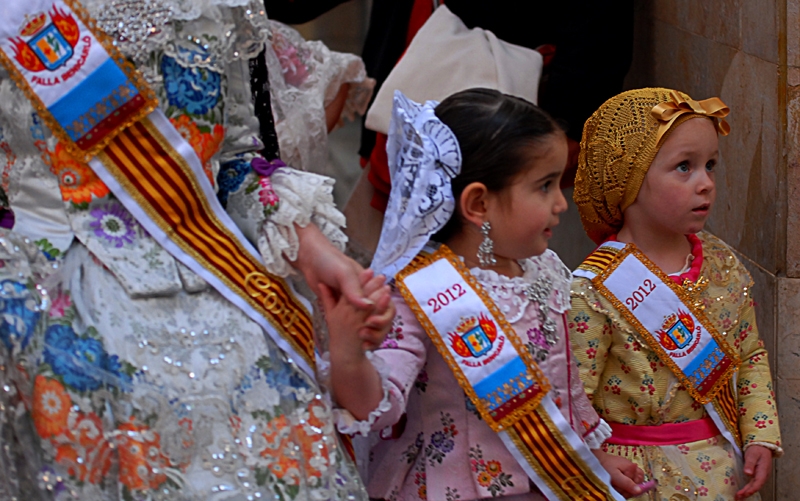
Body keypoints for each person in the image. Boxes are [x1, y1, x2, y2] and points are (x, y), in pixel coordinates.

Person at [0, 1, 391, 499]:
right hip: (45, 296)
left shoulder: (217, 6)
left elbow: (235, 163)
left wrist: (316, 252)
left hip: (220, 282)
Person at [320, 88, 647, 501]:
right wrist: (348, 354)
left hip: (548, 482)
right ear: (478, 204)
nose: (561, 204)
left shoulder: (544, 269)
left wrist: (591, 455)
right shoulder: (417, 291)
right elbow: (379, 407)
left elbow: (565, 385)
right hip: (449, 487)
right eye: (545, 186)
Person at [569, 88, 782, 500]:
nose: (705, 183)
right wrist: (593, 456)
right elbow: (573, 392)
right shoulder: (593, 288)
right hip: (637, 479)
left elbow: (749, 355)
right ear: (627, 180)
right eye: (684, 167)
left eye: (710, 165)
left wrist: (759, 434)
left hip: (721, 470)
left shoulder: (723, 263)